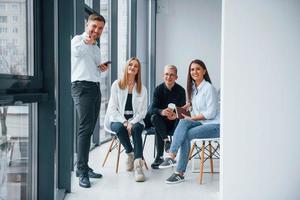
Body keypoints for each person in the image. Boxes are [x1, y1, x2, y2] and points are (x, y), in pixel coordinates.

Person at [159, 59, 220, 184]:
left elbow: (211, 113)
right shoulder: (193, 88)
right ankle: (173, 159)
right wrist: (182, 111)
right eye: (192, 69)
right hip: (202, 123)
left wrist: (191, 118)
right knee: (183, 122)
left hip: (214, 125)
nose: (194, 71)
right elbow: (193, 109)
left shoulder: (209, 88)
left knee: (184, 134)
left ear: (204, 71)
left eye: (198, 68)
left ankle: (178, 170)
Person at [71, 14, 109, 188]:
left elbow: (94, 68)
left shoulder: (96, 46)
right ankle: (81, 171)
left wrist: (102, 68)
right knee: (85, 129)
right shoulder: (78, 40)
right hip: (81, 87)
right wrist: (86, 41)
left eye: (100, 28)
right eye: (94, 26)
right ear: (87, 24)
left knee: (90, 128)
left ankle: (84, 167)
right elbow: (76, 53)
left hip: (94, 87)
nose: (96, 31)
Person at [106, 57, 148, 182]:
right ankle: (131, 153)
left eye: (136, 66)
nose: (133, 67)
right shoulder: (117, 85)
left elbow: (143, 112)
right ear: (126, 67)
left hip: (136, 120)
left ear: (138, 70)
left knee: (136, 130)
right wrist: (125, 122)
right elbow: (113, 108)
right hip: (118, 119)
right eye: (130, 65)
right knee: (119, 128)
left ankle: (138, 166)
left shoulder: (142, 88)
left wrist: (131, 122)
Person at [149, 65, 186, 169]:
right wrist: (162, 112)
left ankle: (159, 157)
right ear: (163, 75)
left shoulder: (181, 90)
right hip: (161, 122)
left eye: (171, 75)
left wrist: (175, 115)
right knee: (155, 118)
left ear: (176, 77)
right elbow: (152, 109)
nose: (169, 77)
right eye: (166, 74)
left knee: (178, 120)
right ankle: (166, 141)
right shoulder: (158, 89)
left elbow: (183, 110)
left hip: (175, 123)